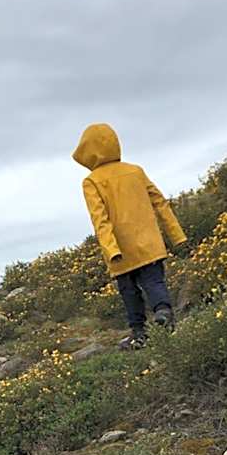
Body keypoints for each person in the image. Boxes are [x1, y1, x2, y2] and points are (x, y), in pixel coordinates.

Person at [72, 123, 188, 349]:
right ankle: (163, 312)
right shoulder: (135, 171)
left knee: (129, 291)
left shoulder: (92, 181)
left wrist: (111, 249)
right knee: (154, 281)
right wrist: (176, 235)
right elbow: (159, 202)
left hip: (121, 249)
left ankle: (139, 334)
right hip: (150, 243)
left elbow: (100, 219)